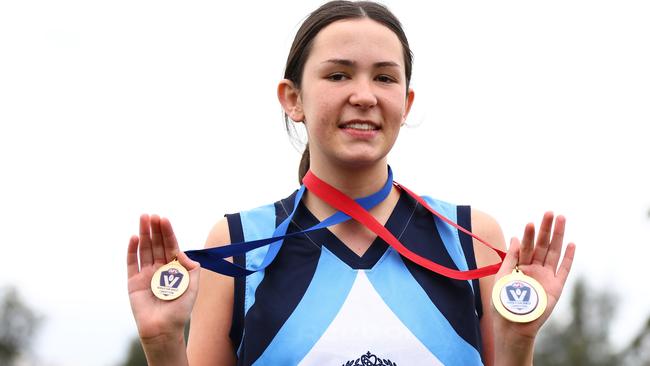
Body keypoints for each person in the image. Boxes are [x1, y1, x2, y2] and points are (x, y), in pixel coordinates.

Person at [126, 1, 576, 365]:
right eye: (338, 75)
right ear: (293, 99)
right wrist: (163, 344)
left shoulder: (469, 237)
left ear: (406, 101)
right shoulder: (241, 243)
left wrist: (518, 344)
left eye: (384, 77)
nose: (363, 95)